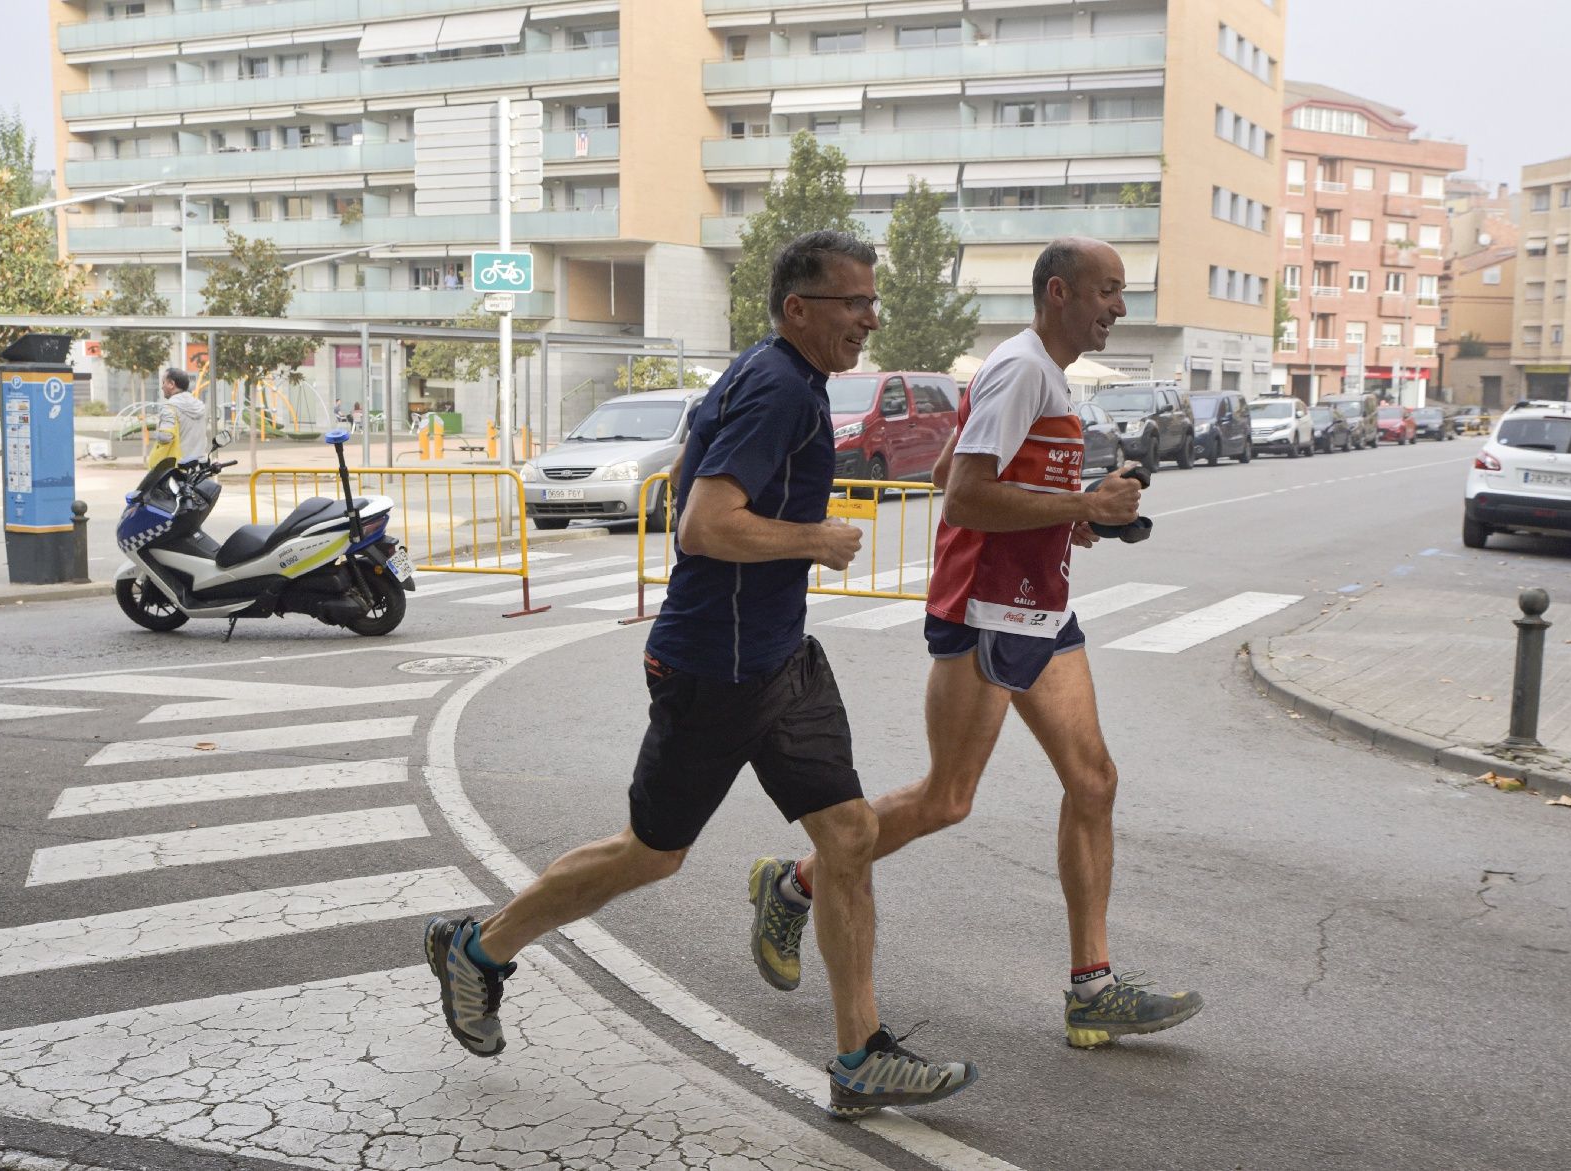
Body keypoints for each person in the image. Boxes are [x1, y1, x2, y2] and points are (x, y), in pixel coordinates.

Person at [424, 230, 978, 1118]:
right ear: (800, 309)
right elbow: (703, 525)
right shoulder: (778, 389)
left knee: (848, 834)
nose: (870, 319)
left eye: (872, 302)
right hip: (715, 670)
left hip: (778, 656)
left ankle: (858, 1054)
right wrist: (815, 539)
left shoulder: (772, 374)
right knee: (652, 853)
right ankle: (479, 949)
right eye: (854, 303)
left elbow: (690, 472)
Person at [749, 236, 1206, 1049]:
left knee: (1093, 781)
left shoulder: (1043, 372)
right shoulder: (1022, 367)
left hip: (1036, 605)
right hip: (986, 612)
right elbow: (961, 498)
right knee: (947, 798)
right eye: (1109, 291)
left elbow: (949, 470)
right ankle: (795, 885)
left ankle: (1091, 985)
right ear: (1059, 293)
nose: (1119, 308)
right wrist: (1078, 508)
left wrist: (1075, 514)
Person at [148, 367, 207, 468]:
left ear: (171, 384)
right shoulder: (199, 406)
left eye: (164, 382)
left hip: (179, 468)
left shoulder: (170, 407)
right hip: (200, 466)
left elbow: (165, 437)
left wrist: (156, 433)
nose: (162, 387)